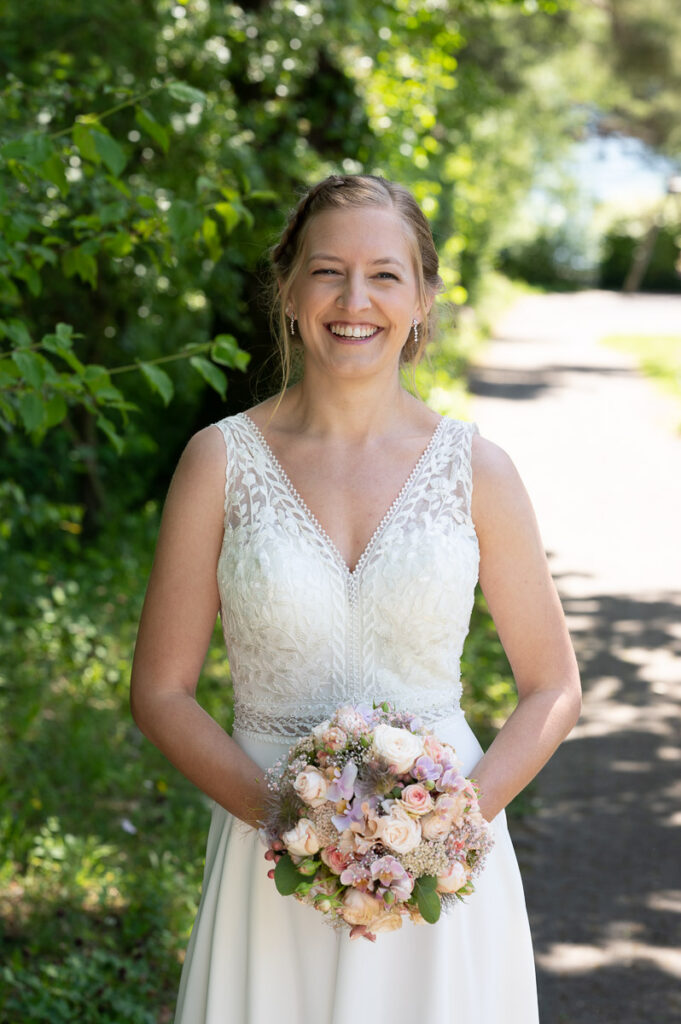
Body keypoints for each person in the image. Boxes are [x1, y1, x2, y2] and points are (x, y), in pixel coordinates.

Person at [130, 173, 581, 1024]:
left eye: (384, 274)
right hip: (273, 849)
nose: (354, 299)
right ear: (288, 289)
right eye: (327, 270)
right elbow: (159, 692)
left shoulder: (476, 470)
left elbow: (552, 687)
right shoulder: (217, 463)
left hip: (438, 864)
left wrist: (443, 830)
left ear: (421, 300)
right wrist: (296, 820)